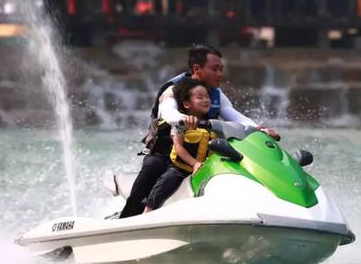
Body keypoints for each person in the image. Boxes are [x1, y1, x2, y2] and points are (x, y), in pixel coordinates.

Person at [119, 44, 279, 218]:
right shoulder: (174, 89)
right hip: (164, 153)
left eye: (221, 69)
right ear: (197, 69)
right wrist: (183, 118)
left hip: (197, 155)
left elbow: (235, 116)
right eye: (214, 69)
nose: (220, 74)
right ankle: (129, 217)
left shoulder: (216, 94)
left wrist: (259, 129)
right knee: (152, 168)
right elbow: (168, 111)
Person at [143, 78, 213, 213]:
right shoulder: (179, 123)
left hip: (204, 167)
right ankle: (148, 211)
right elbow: (178, 148)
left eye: (207, 97)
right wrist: (194, 163)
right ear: (187, 104)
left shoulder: (213, 122)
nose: (206, 100)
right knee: (168, 180)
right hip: (180, 169)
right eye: (200, 97)